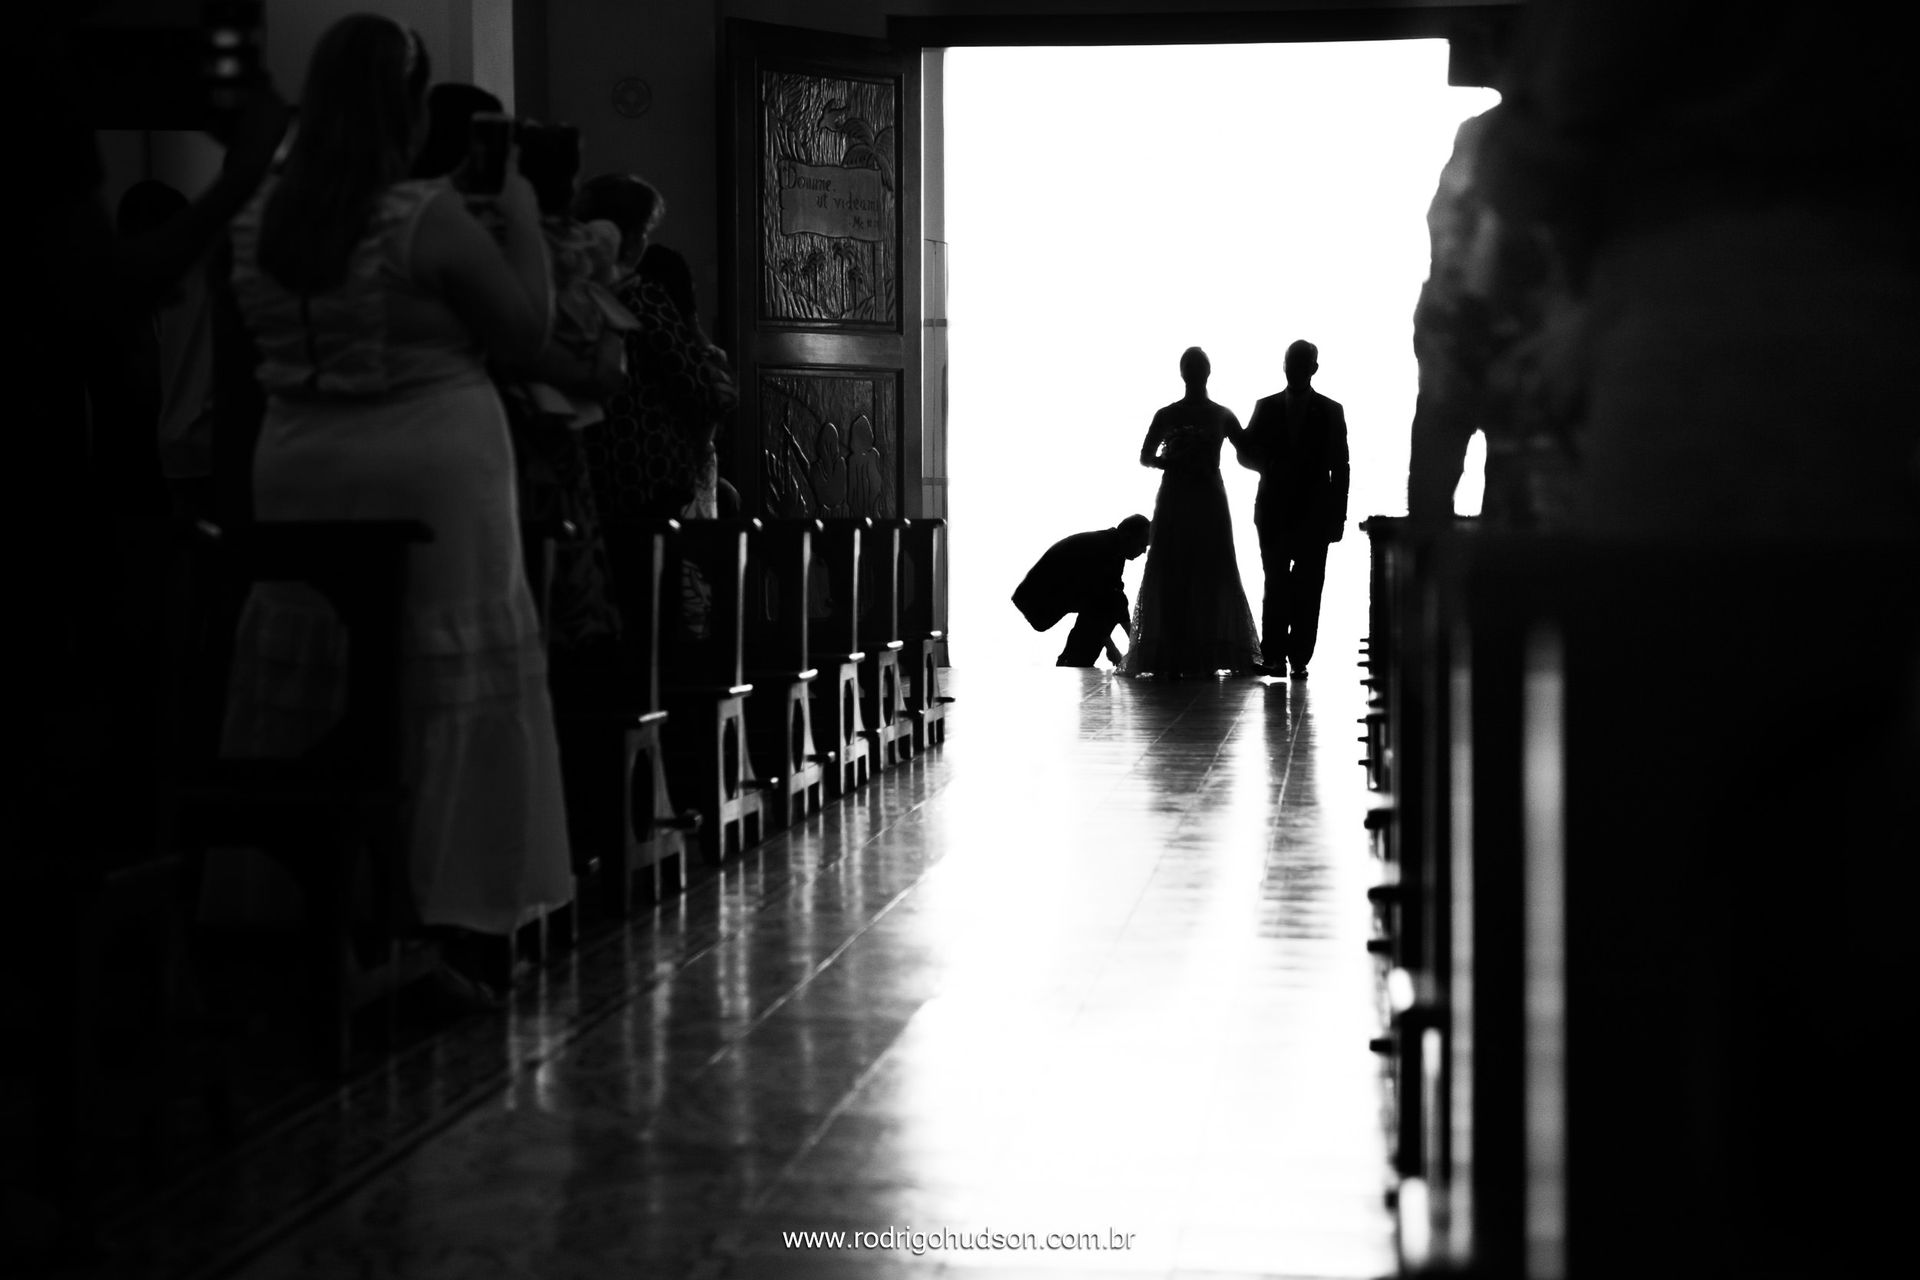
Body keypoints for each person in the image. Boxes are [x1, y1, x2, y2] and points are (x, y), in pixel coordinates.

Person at [221, 15, 571, 992]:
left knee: (321, 673)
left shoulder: (258, 215)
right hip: (435, 468)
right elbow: (524, 332)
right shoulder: (418, 214)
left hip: (294, 461)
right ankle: (437, 913)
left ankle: (311, 910)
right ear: (409, 107)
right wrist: (524, 215)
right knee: (438, 681)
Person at [1121, 347, 1263, 678]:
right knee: (1175, 567)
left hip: (1207, 500)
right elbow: (1145, 456)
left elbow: (1247, 448)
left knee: (1211, 567)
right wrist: (1171, 461)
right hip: (1180, 499)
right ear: (1195, 374)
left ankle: (1199, 649)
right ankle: (1180, 648)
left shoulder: (1212, 414)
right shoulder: (1199, 414)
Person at [1232, 340, 1350, 677]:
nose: (1293, 368)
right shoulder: (1265, 407)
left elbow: (1341, 466)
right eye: (1289, 362)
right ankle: (1274, 656)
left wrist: (1338, 516)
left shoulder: (1331, 411)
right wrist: (1267, 465)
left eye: (1299, 363)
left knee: (1309, 588)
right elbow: (1245, 453)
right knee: (1276, 584)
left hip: (1314, 514)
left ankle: (1298, 657)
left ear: (1313, 368)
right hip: (1273, 511)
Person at [1012, 514, 1151, 667]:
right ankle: (1071, 661)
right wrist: (1112, 649)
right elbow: (1095, 599)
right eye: (1142, 545)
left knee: (1114, 598)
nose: (1144, 551)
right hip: (1035, 599)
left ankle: (1074, 659)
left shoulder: (1113, 549)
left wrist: (1137, 645)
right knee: (1108, 602)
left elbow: (1115, 596)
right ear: (1128, 536)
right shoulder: (1103, 550)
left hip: (1051, 593)